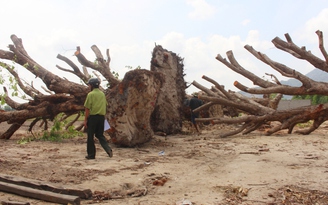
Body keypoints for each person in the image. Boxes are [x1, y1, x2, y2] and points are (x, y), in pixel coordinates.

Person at [84, 78, 113, 160]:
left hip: (93, 117)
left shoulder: (90, 94)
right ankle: (108, 149)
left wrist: (85, 120)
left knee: (90, 136)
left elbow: (87, 108)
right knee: (100, 135)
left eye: (89, 84)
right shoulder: (102, 94)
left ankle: (91, 155)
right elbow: (105, 105)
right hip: (101, 117)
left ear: (92, 85)